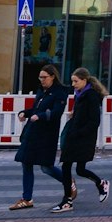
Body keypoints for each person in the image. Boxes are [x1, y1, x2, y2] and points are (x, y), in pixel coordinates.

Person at [11, 67, 72, 211]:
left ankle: (68, 181)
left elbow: (56, 112)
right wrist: (24, 113)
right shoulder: (41, 91)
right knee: (26, 163)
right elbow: (36, 109)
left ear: (52, 77)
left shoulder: (60, 93)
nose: (42, 80)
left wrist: (41, 116)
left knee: (46, 167)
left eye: (44, 77)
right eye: (40, 77)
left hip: (46, 135)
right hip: (32, 132)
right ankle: (27, 199)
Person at [59, 67, 109, 205]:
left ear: (84, 80)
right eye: (72, 81)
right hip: (75, 136)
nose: (73, 84)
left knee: (78, 169)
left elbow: (94, 121)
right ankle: (67, 199)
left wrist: (79, 132)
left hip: (82, 138)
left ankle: (100, 183)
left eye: (75, 81)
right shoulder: (79, 94)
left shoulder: (91, 96)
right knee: (68, 167)